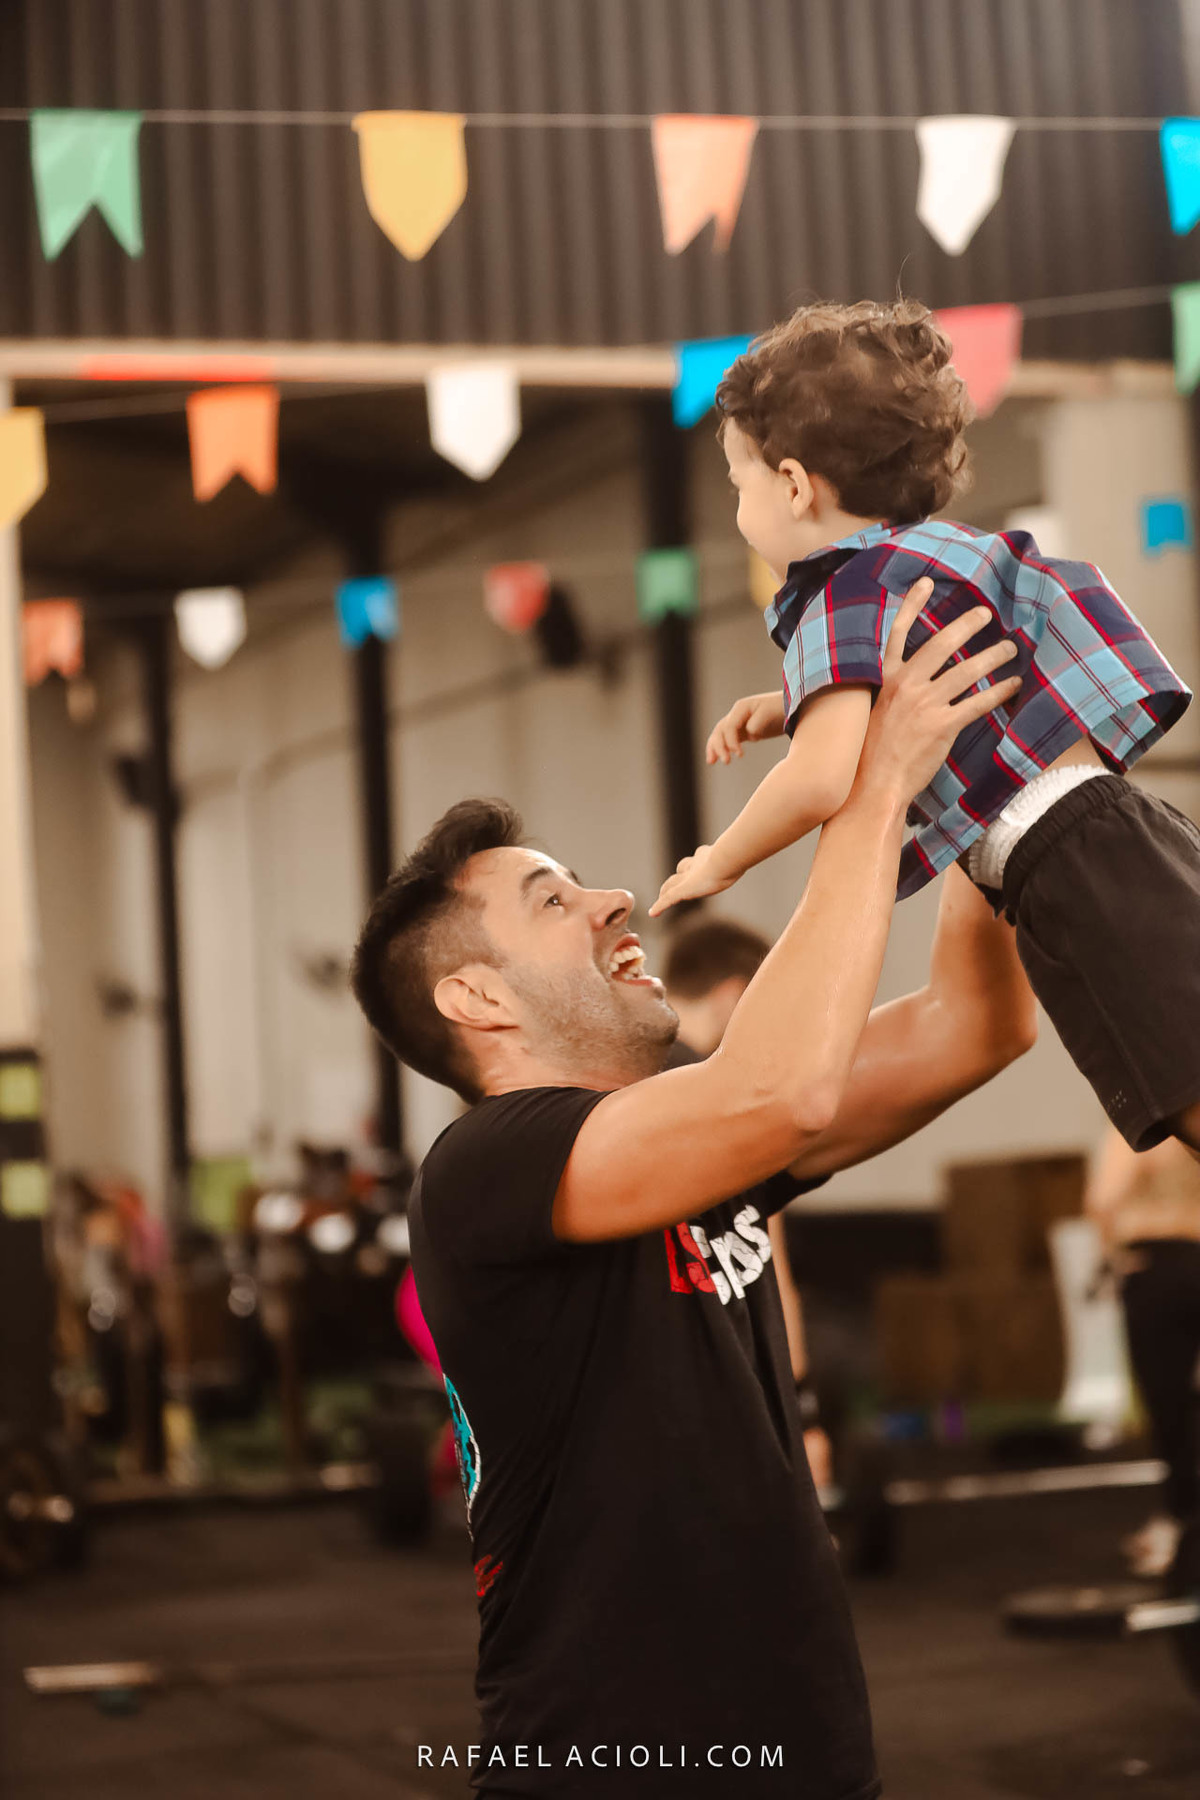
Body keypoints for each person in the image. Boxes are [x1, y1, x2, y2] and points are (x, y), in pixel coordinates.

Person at [349, 579, 1034, 1799]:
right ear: (477, 998)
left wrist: (983, 772)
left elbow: (973, 1025)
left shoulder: (693, 1141)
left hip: (808, 1748)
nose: (614, 899)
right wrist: (876, 784)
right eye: (553, 901)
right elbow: (784, 1091)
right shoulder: (486, 1168)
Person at [648, 297, 1199, 1160]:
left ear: (792, 485)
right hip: (1114, 832)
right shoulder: (927, 556)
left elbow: (820, 780)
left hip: (1068, 862)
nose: (738, 509)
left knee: (1185, 1086)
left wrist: (723, 857)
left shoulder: (836, 595)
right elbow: (900, 684)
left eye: (738, 484)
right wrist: (788, 706)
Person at [662, 915, 832, 1491]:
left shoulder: (620, 1093)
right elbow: (771, 1267)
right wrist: (804, 1410)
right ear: (737, 997)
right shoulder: (728, 1102)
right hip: (730, 1411)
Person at [1086, 1127, 1200, 1577]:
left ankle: (1180, 1523)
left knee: (1168, 1405)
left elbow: (1103, 1198)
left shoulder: (1138, 1125)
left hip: (1156, 1267)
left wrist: (1112, 1256)